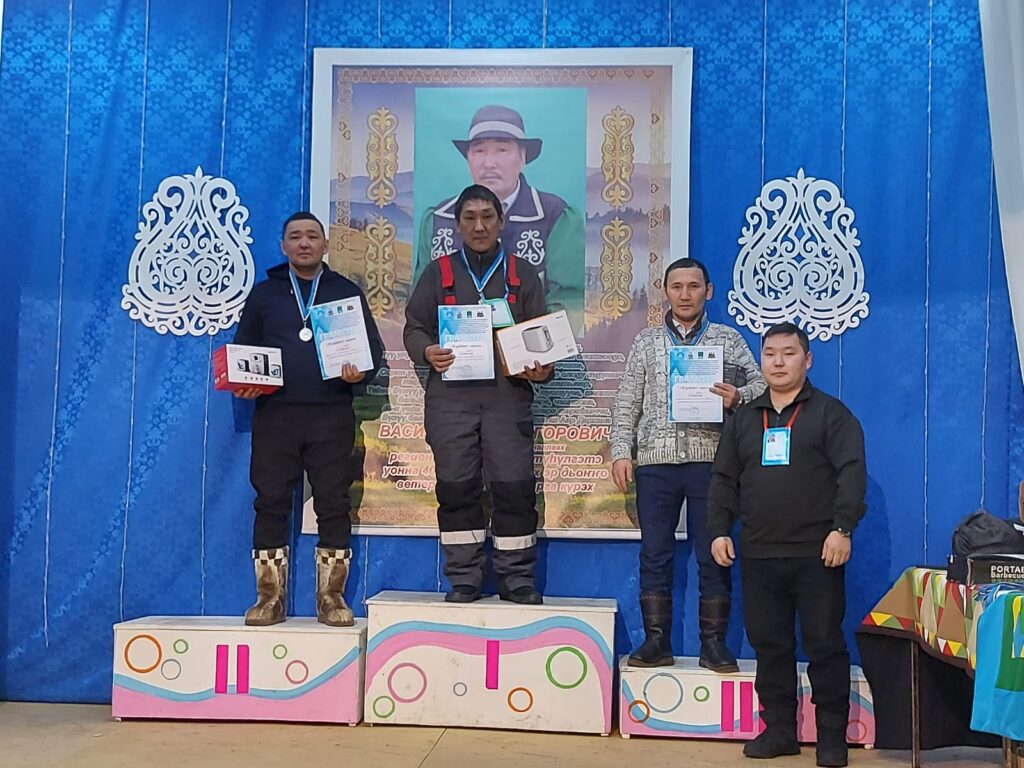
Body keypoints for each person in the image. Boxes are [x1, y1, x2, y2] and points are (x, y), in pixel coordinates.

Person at [708, 322, 866, 768]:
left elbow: (852, 475)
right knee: (769, 645)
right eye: (770, 354)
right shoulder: (744, 419)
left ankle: (832, 738)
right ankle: (779, 730)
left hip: (818, 554)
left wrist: (843, 529)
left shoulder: (832, 415)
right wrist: (719, 530)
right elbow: (723, 480)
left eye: (789, 353)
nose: (778, 362)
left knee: (824, 644)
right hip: (759, 553)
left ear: (807, 359)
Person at [611, 257, 765, 671]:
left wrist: (738, 397)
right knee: (654, 553)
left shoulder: (727, 339)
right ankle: (656, 640)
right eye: (676, 286)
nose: (685, 294)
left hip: (711, 462)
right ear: (665, 291)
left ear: (708, 291)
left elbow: (762, 385)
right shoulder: (646, 342)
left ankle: (713, 644)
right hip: (655, 463)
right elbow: (627, 401)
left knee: (714, 552)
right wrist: (622, 450)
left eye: (693, 286)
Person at [233, 211, 384, 627]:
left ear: (325, 245)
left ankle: (331, 599)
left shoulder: (345, 292)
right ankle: (269, 599)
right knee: (270, 502)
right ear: (283, 246)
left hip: (331, 415)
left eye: (312, 236)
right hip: (275, 416)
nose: (304, 243)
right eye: (296, 236)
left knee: (334, 504)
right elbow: (243, 349)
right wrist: (245, 382)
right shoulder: (264, 295)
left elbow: (372, 353)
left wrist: (359, 372)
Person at [404, 184, 552, 605]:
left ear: (501, 223)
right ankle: (464, 578)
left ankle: (516, 578)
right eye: (469, 218)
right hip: (451, 401)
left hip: (507, 400)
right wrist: (426, 351)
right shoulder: (439, 274)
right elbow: (414, 328)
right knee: (457, 488)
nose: (479, 226)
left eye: (487, 217)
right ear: (457, 225)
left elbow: (543, 340)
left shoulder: (523, 275)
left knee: (513, 488)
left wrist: (542, 369)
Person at [416, 104, 584, 334]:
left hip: (528, 352)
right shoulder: (438, 219)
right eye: (479, 151)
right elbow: (421, 306)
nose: (489, 163)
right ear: (468, 159)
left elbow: (568, 302)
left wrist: (527, 347)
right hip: (452, 352)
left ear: (522, 157)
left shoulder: (555, 216)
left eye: (502, 150)